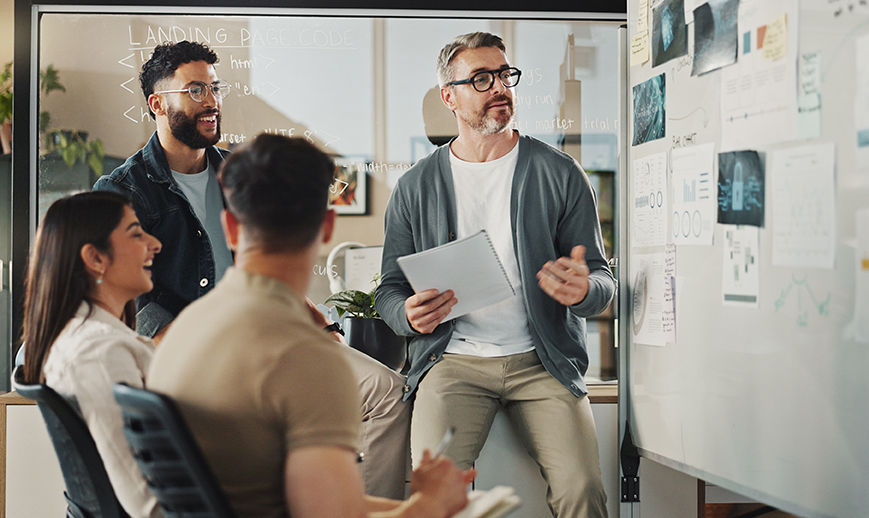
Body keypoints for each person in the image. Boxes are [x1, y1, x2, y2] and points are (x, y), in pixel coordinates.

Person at [94, 41, 410, 499]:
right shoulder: (124, 190)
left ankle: (364, 500)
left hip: (271, 327)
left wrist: (319, 326)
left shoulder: (235, 174)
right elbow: (132, 295)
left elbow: (268, 263)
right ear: (157, 104)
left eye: (215, 88)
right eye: (196, 90)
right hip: (196, 344)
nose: (212, 101)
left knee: (387, 391)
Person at [147, 134, 474, 518]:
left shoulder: (185, 329)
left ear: (230, 228)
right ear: (327, 226)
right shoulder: (306, 359)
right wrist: (431, 505)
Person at [375, 32, 616, 518]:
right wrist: (408, 314)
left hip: (542, 364)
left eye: (505, 75)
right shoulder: (415, 186)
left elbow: (602, 280)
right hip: (453, 364)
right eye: (481, 79)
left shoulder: (559, 172)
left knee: (583, 489)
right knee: (428, 502)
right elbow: (389, 291)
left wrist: (585, 289)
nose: (499, 87)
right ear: (450, 96)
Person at [19, 191, 164, 518]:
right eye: (137, 233)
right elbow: (145, 503)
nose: (155, 244)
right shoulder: (99, 353)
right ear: (96, 258)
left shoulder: (85, 338)